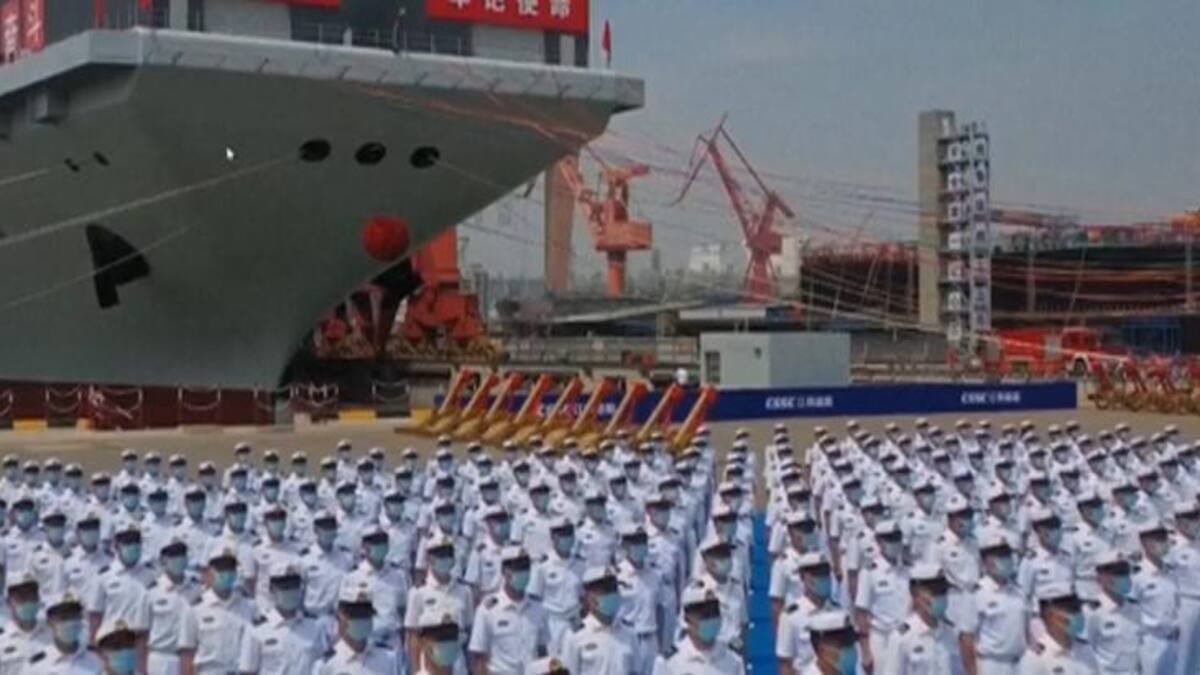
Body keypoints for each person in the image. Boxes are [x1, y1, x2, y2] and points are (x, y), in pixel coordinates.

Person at [468, 546, 550, 675]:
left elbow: (542, 650)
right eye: (517, 568)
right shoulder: (488, 609)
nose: (522, 572)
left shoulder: (538, 608)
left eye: (525, 568)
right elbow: (478, 655)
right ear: (504, 571)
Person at [242, 562, 331, 674]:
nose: (290, 591)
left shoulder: (315, 627)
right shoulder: (256, 630)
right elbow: (248, 672)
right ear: (272, 589)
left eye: (294, 586)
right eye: (284, 587)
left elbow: (324, 668)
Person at [881, 563, 960, 675]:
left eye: (943, 591)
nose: (940, 597)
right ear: (915, 593)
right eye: (934, 592)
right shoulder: (902, 638)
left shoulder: (950, 634)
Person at [653, 583, 744, 675]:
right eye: (704, 615)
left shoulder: (733, 662)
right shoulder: (668, 663)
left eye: (714, 612)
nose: (710, 619)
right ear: (687, 619)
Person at [192, 549, 258, 673]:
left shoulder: (250, 607)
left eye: (230, 569)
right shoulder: (197, 609)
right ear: (209, 573)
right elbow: (188, 654)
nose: (226, 574)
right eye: (220, 569)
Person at [560, 567, 634, 675]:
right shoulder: (576, 636)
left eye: (614, 589)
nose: (612, 594)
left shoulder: (629, 633)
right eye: (605, 591)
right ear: (590, 597)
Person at [776, 553, 840, 675]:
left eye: (825, 573)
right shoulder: (791, 616)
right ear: (803, 577)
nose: (823, 578)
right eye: (817, 574)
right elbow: (785, 663)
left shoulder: (838, 611)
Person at [316, 586, 401, 674]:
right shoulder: (326, 665)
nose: (360, 620)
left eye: (365, 615)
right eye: (355, 615)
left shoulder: (388, 659)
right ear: (339, 618)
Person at [1018, 583, 1097, 675]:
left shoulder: (1087, 650)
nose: (1078, 614)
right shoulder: (1035, 657)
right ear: (1050, 614)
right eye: (1071, 609)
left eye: (1078, 608)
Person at [1085, 551, 1139, 675]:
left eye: (1124, 571)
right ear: (1100, 577)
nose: (1122, 577)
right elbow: (1087, 653)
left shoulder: (1136, 608)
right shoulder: (1092, 612)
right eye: (1116, 573)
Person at [25, 593, 103, 673]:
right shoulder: (37, 664)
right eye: (64, 618)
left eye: (74, 616)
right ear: (49, 623)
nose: (71, 622)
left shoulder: (97, 661)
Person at [0, 574, 51, 672]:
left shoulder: (55, 634)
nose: (27, 601)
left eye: (32, 595)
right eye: (22, 597)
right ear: (8, 602)